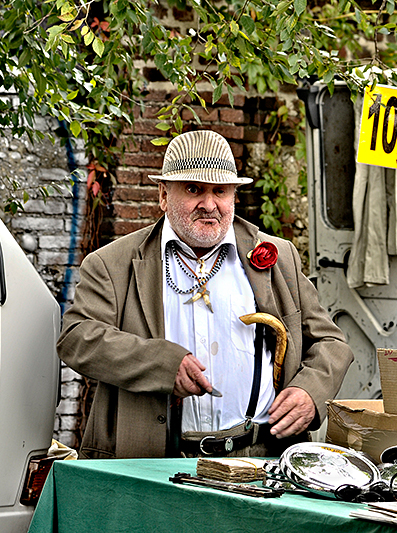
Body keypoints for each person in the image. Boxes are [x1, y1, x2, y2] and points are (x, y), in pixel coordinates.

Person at [57, 129, 354, 458]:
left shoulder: (277, 257)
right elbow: (76, 337)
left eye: (220, 191)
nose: (209, 204)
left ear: (234, 197)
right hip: (153, 460)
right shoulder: (112, 263)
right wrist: (162, 364)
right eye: (193, 189)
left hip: (260, 457)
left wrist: (309, 392)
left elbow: (331, 343)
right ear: (163, 195)